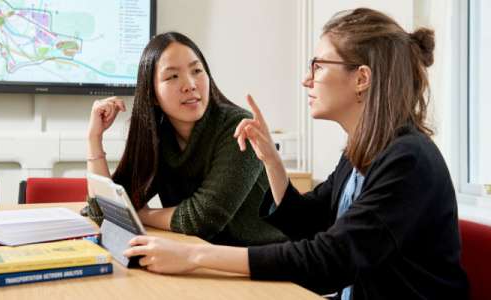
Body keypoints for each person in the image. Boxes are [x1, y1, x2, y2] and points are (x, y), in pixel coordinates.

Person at [123, 8, 469, 299]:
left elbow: (330, 260)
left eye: (318, 66)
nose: (307, 79)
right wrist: (272, 162)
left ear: (361, 78)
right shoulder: (361, 150)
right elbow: (309, 222)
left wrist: (197, 255)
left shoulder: (407, 161)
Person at [86, 32, 287, 246]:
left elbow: (203, 219)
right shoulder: (159, 136)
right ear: (152, 95)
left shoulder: (240, 128)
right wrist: (94, 138)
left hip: (264, 261)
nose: (190, 84)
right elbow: (102, 211)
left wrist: (140, 214)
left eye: (197, 71)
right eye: (172, 76)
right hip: (203, 257)